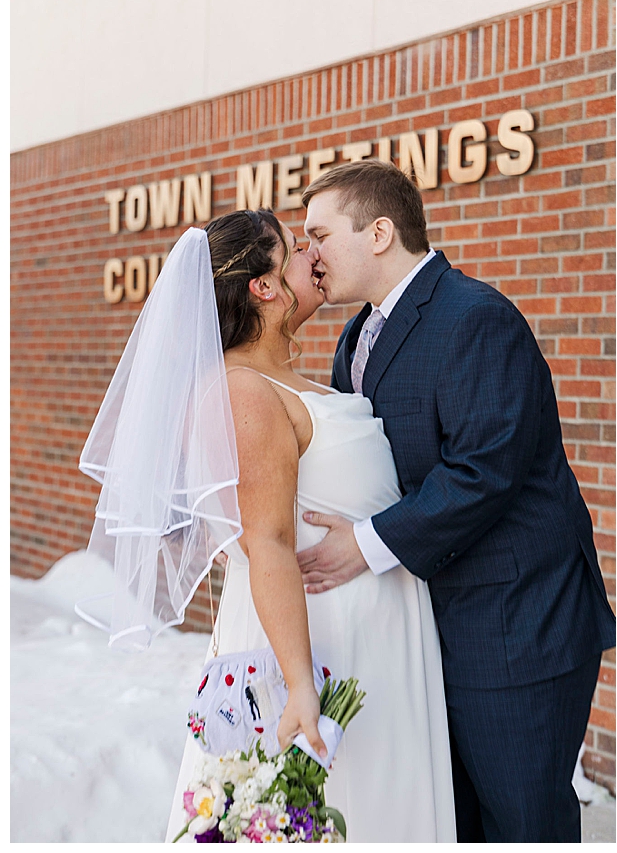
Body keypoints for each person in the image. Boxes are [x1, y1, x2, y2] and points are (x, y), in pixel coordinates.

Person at [78, 213, 455, 841]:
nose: (313, 255)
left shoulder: (294, 379)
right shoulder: (242, 392)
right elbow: (268, 543)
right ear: (263, 286)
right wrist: (301, 686)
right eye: (297, 248)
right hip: (324, 644)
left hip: (380, 632)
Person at [287, 159, 616, 842]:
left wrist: (365, 545)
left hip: (515, 625)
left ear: (379, 233)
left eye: (320, 234)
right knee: (455, 825)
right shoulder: (355, 337)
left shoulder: (477, 318)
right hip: (426, 629)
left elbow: (483, 471)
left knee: (521, 824)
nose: (310, 253)